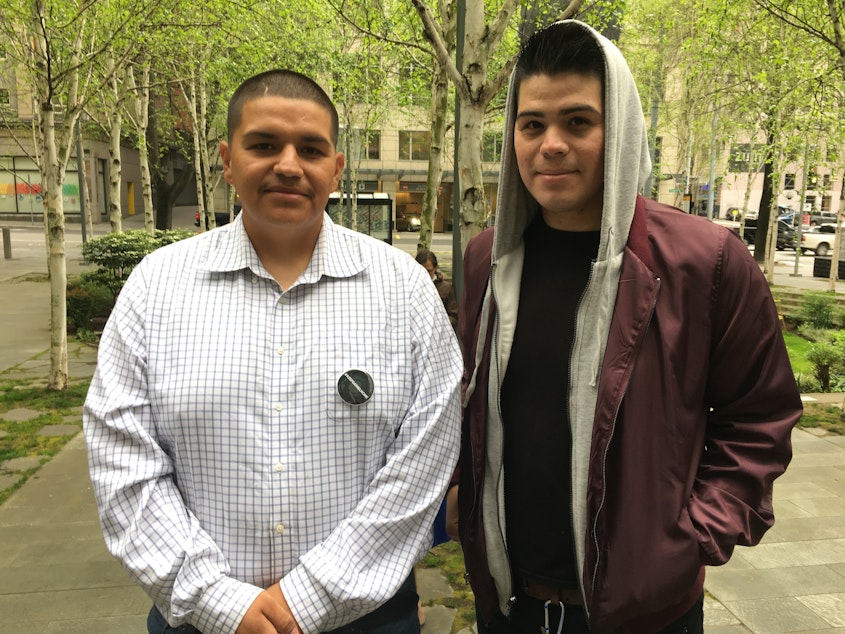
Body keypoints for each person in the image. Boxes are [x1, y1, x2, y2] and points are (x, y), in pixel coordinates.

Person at [447, 20, 802, 633]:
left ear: (622, 131)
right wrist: (461, 501)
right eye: (531, 125)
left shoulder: (705, 262)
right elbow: (464, 403)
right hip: (507, 603)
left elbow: (760, 418)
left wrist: (689, 538)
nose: (550, 144)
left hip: (644, 613)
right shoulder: (487, 261)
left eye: (577, 122)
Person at [84, 69, 462, 634]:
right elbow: (123, 462)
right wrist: (220, 603)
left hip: (369, 621)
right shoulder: (155, 288)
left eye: (310, 149)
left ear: (335, 169)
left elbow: (423, 465)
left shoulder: (404, 291)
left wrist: (302, 602)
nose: (288, 164)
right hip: (200, 621)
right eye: (264, 145)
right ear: (227, 159)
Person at [415, 250, 458, 330]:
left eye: (429, 271)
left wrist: (441, 323)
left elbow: (454, 316)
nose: (425, 275)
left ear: (435, 268)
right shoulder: (412, 287)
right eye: (421, 271)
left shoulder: (446, 288)